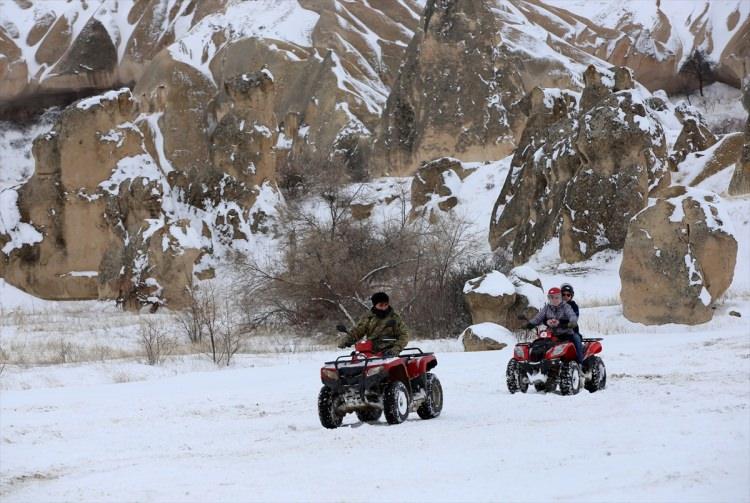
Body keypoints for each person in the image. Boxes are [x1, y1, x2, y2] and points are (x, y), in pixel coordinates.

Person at [338, 292, 410, 357]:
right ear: (375, 305)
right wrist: (347, 340)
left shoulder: (394, 318)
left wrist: (395, 349)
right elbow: (358, 331)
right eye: (381, 305)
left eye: (386, 305)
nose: (384, 308)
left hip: (388, 351)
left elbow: (404, 335)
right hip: (369, 351)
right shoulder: (368, 317)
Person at [525, 287, 583, 364]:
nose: (554, 300)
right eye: (551, 297)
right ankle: (536, 361)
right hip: (551, 334)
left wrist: (570, 323)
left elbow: (572, 315)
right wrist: (530, 324)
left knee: (576, 339)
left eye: (557, 297)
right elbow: (538, 317)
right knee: (538, 343)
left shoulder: (566, 307)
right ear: (549, 298)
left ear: (560, 297)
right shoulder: (546, 308)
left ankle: (580, 363)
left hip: (566, 333)